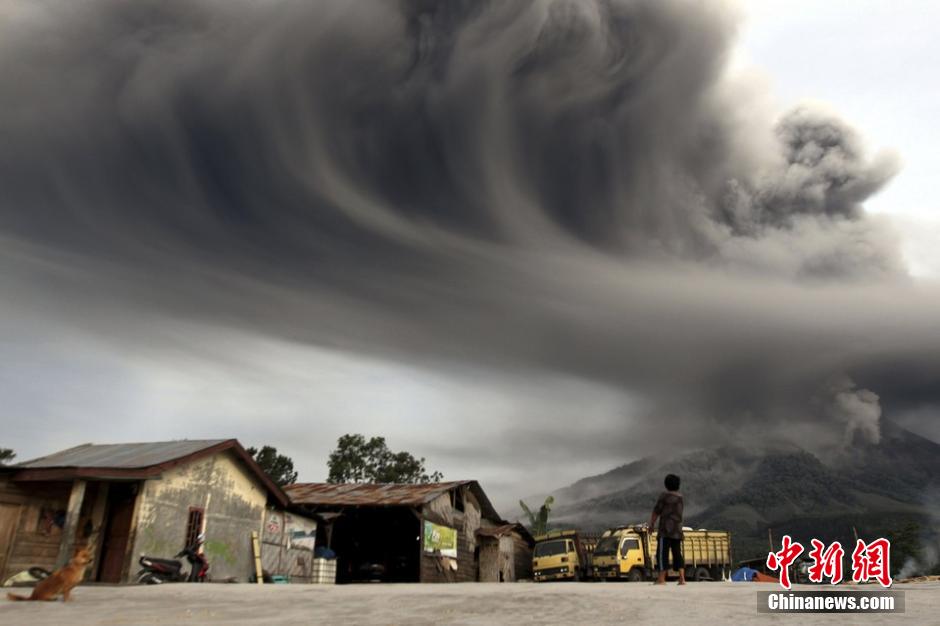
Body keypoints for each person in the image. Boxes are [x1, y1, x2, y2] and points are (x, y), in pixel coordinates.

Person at [649, 473, 685, 585]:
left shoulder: (664, 496)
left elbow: (657, 511)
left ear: (666, 484)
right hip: (677, 531)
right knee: (677, 553)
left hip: (665, 530)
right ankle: (682, 578)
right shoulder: (680, 498)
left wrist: (652, 524)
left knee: (662, 554)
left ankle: (661, 579)